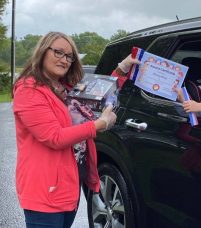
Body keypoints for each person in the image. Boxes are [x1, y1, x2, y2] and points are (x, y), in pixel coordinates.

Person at [12, 31, 138, 228]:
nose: (64, 60)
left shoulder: (66, 88)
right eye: (58, 53)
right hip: (44, 189)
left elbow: (98, 95)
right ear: (43, 52)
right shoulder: (29, 91)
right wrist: (100, 124)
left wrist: (121, 70)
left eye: (69, 56)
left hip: (69, 183)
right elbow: (54, 137)